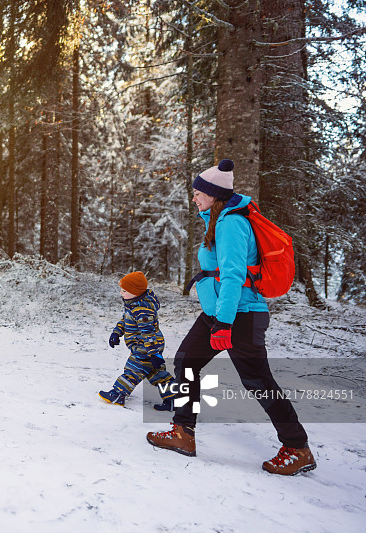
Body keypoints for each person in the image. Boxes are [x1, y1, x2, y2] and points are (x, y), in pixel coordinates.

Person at [145, 159, 316, 476]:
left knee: (257, 381)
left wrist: (224, 322)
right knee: (186, 362)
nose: (194, 198)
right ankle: (183, 433)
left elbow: (234, 276)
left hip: (240, 316)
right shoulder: (217, 219)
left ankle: (297, 447)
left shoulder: (231, 223)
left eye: (198, 193)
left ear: (213, 194)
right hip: (217, 314)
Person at [99, 271, 177, 411]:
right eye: (121, 290)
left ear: (135, 292)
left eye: (124, 290)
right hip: (148, 346)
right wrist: (117, 332)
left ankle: (118, 394)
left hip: (146, 347)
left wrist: (153, 354)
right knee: (157, 374)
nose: (121, 293)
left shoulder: (142, 310)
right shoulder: (133, 304)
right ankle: (174, 399)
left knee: (133, 370)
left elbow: (149, 333)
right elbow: (126, 320)